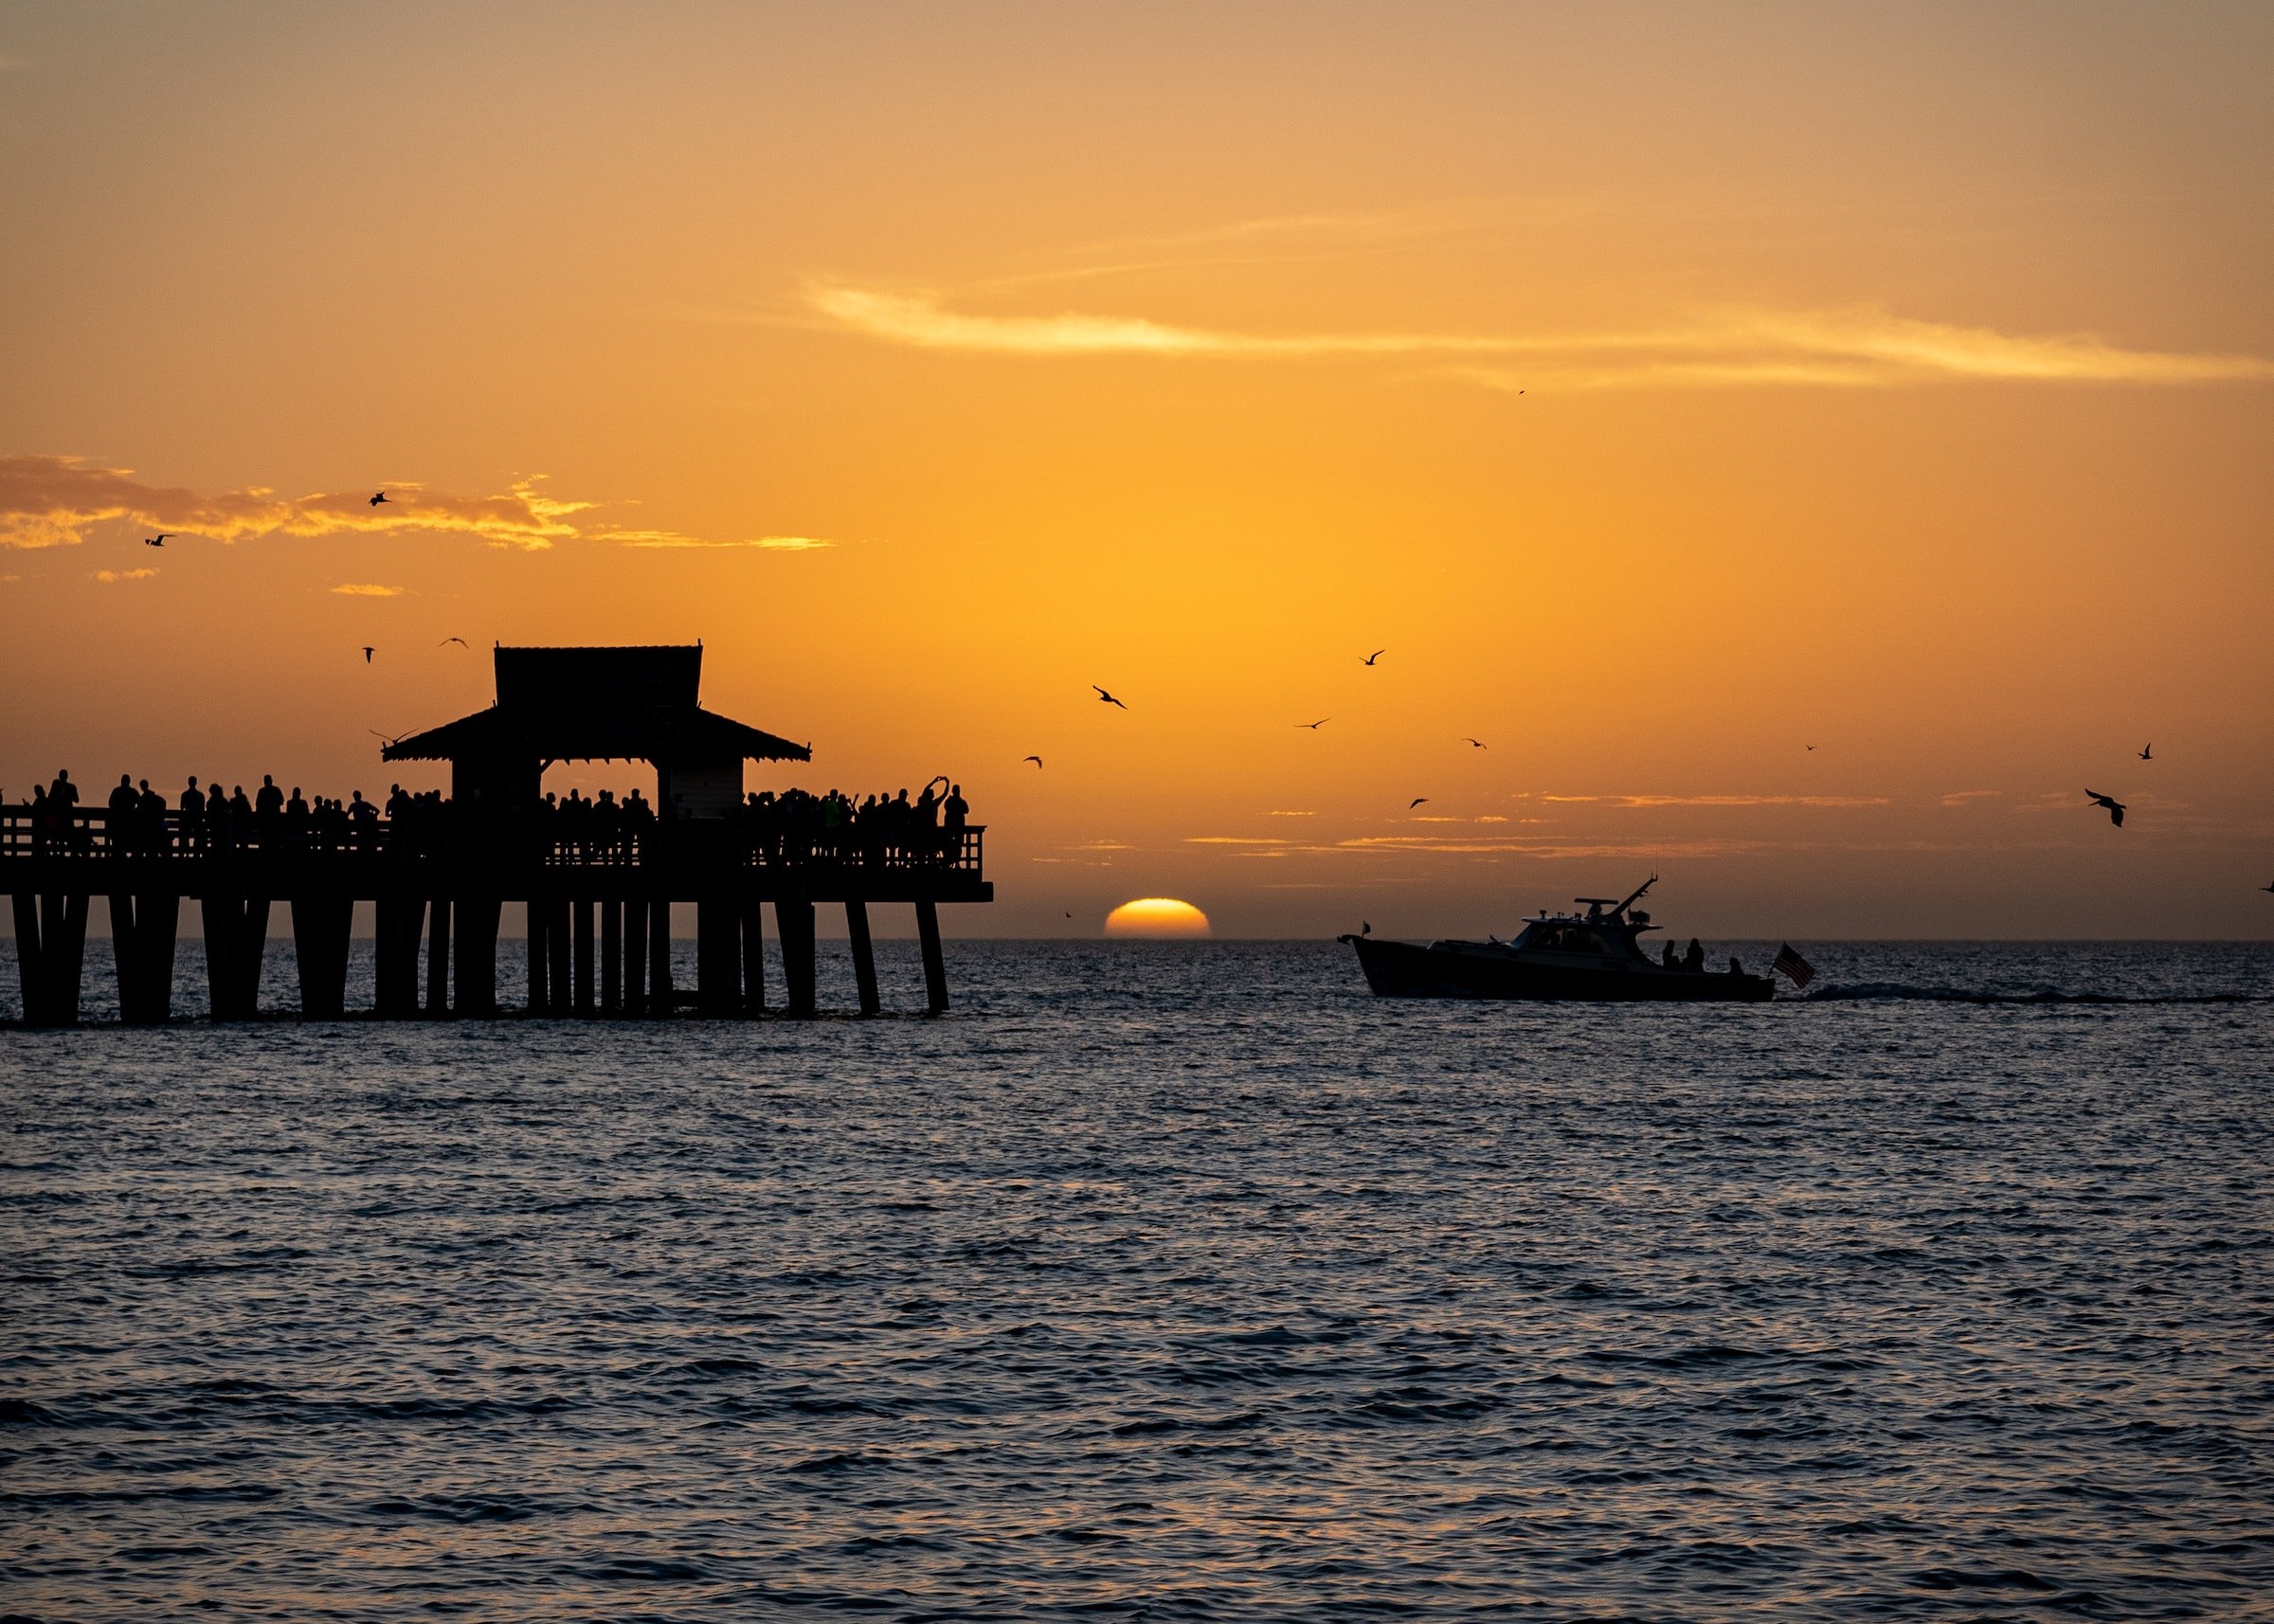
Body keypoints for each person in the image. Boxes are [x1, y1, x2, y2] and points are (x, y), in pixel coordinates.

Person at [107, 773, 138, 855]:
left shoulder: (116, 791)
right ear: (129, 782)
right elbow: (140, 803)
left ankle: (118, 854)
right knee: (130, 839)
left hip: (118, 820)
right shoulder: (133, 792)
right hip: (130, 820)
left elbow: (110, 803)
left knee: (118, 841)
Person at [178, 776, 206, 853]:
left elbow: (182, 808)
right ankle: (196, 852)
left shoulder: (184, 794)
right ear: (196, 783)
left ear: (188, 783)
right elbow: (202, 809)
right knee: (198, 834)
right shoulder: (200, 795)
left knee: (184, 834)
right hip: (197, 821)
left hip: (187, 821)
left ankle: (185, 851)